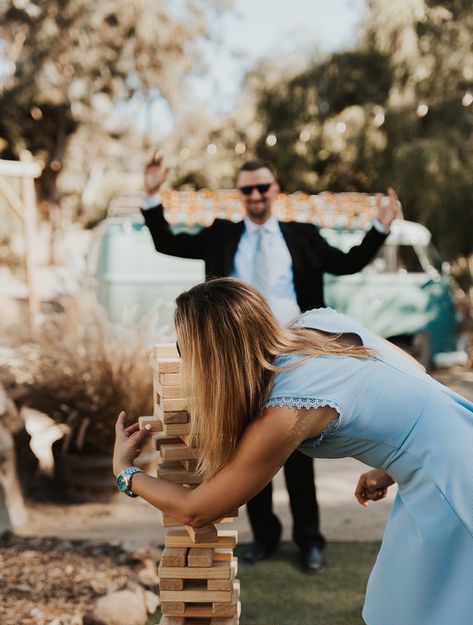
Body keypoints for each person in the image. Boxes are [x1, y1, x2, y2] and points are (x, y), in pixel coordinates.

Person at [114, 278, 473, 625]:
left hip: (450, 480)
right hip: (461, 438)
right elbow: (415, 378)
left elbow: (198, 509)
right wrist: (390, 465)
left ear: (214, 357)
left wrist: (126, 472)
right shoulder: (318, 325)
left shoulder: (288, 409)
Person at [141, 152, 401, 572]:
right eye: (248, 189)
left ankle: (310, 541)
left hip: (296, 355)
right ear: (240, 194)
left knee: (299, 453)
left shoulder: (301, 235)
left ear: (275, 190)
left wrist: (381, 225)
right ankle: (264, 537)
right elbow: (167, 241)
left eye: (263, 186)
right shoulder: (221, 235)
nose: (256, 194)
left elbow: (348, 261)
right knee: (248, 448)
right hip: (241, 362)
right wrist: (152, 195)